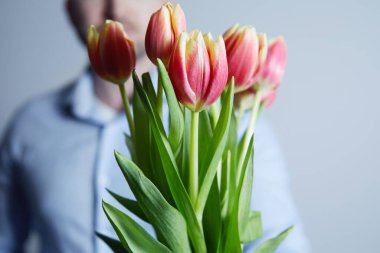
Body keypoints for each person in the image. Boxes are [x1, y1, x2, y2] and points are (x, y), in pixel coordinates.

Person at [0, 0, 311, 252]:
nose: (116, 7)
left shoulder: (233, 125)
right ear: (69, 7)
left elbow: (283, 244)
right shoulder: (30, 126)